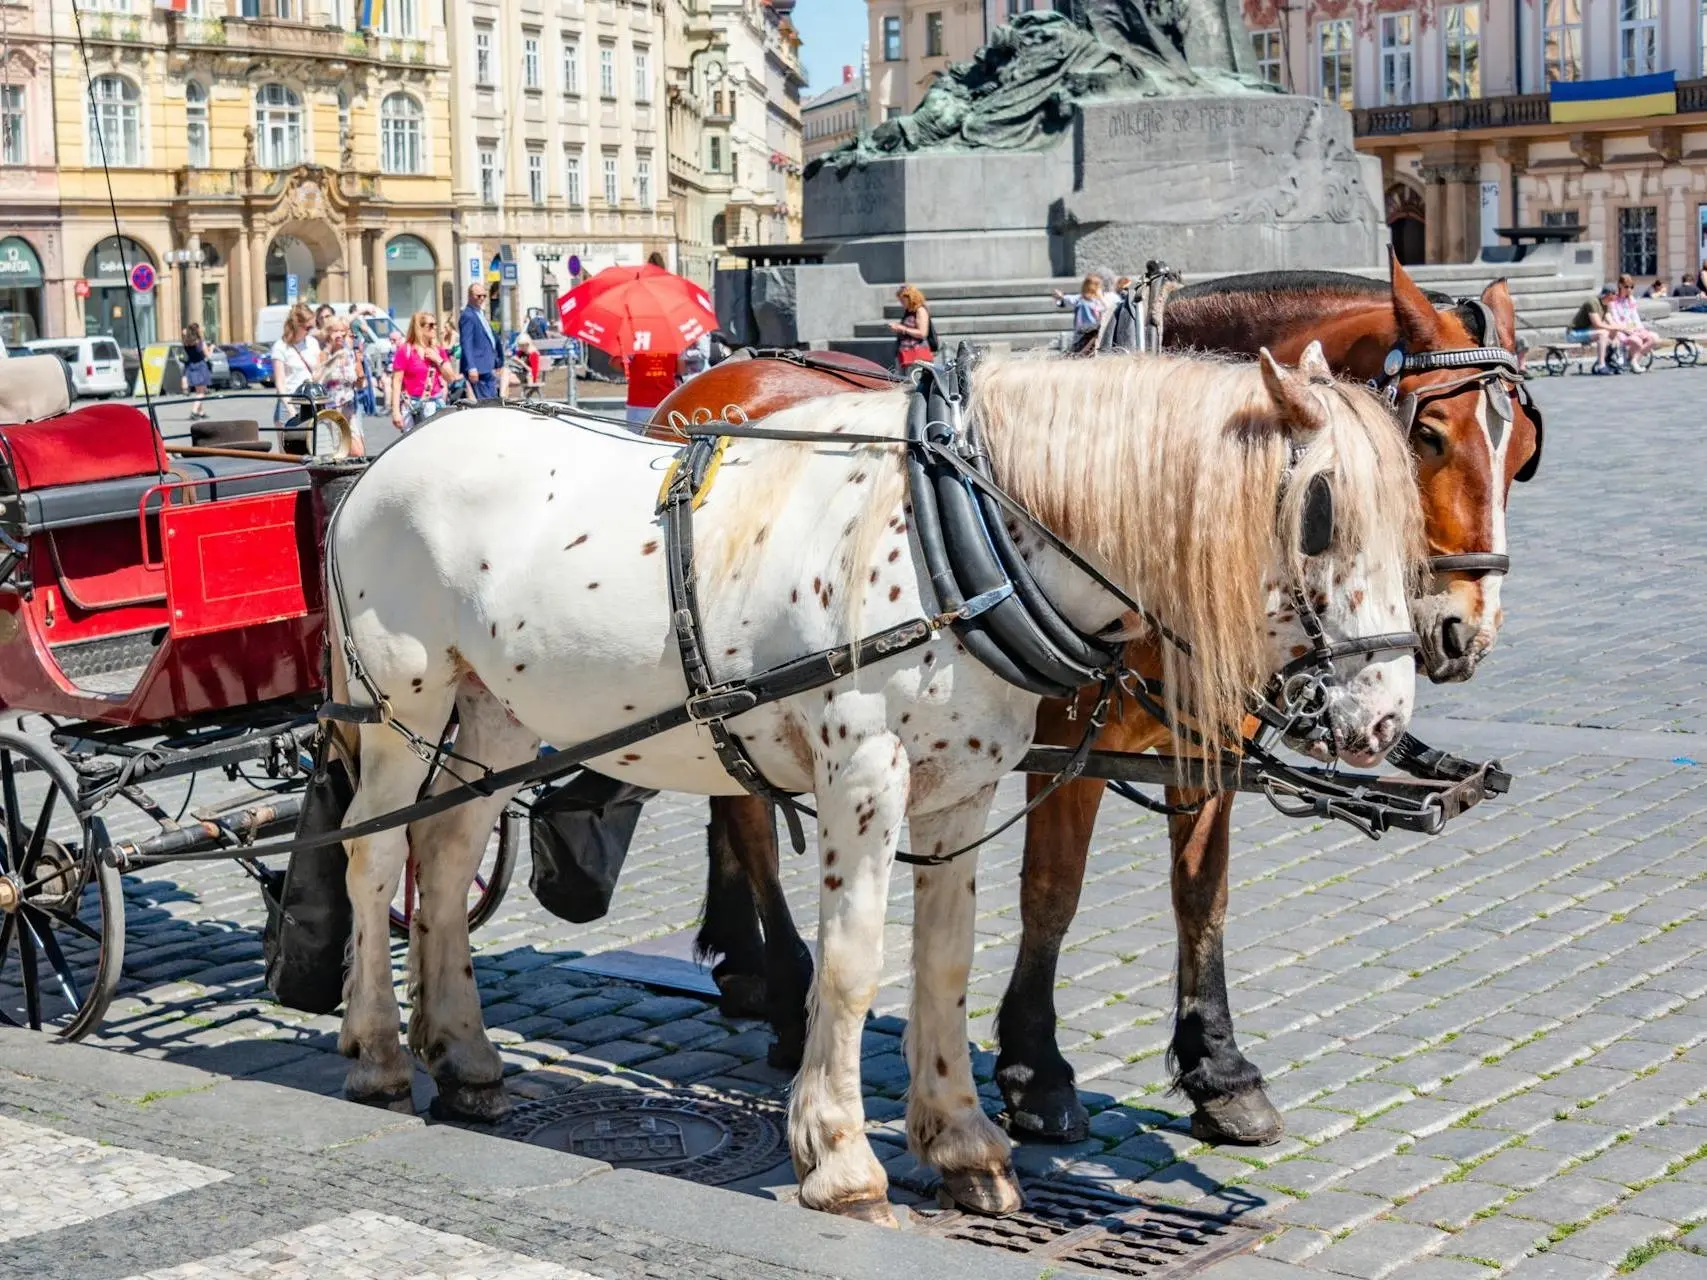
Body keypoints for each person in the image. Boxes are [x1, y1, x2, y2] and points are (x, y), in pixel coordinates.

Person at [389, 311, 458, 431]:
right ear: (419, 328)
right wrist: (395, 411)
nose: (434, 328)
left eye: (435, 324)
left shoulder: (437, 350)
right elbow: (397, 382)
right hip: (412, 406)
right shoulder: (406, 351)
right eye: (430, 325)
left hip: (435, 404)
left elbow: (451, 378)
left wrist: (438, 359)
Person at [270, 309, 328, 443]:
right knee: (289, 452)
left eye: (313, 326)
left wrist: (328, 365)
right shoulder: (281, 346)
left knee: (313, 447)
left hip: (311, 402)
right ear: (296, 325)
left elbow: (317, 374)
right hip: (290, 402)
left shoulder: (312, 343)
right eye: (308, 327)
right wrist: (291, 410)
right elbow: (280, 383)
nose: (310, 331)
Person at [317, 315, 367, 454]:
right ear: (328, 334)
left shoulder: (349, 354)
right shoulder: (323, 354)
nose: (339, 335)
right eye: (335, 331)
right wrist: (332, 360)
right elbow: (317, 380)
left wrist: (360, 377)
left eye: (342, 332)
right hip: (331, 411)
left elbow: (359, 384)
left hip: (349, 408)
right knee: (337, 452)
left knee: (358, 452)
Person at [1606, 274, 1660, 370]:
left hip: (1632, 328)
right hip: (1620, 330)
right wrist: (1627, 329)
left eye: (1631, 287)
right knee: (1637, 341)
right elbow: (1615, 319)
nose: (1629, 289)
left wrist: (1638, 329)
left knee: (1655, 338)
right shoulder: (1613, 300)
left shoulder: (1631, 300)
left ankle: (1634, 360)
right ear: (1620, 285)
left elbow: (1635, 318)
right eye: (1626, 286)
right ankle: (1633, 363)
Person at [458, 284, 501, 399]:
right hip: (477, 368)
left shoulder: (480, 313)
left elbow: (491, 339)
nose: (481, 299)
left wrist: (498, 361)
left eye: (484, 296)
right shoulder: (468, 315)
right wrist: (471, 367)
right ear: (470, 296)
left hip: (487, 366)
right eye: (478, 296)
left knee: (491, 401)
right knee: (484, 404)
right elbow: (466, 343)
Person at [1566, 286, 1618, 374]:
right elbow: (1597, 324)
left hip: (1587, 332)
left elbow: (1611, 323)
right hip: (1574, 333)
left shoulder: (1606, 304)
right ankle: (1601, 366)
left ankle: (1606, 360)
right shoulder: (1592, 303)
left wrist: (1623, 329)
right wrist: (1616, 328)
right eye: (1615, 294)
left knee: (1613, 333)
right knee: (1603, 333)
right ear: (1609, 294)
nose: (1617, 296)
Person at [624, 347, 677, 428]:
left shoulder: (632, 340)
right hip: (666, 401)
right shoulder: (674, 341)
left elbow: (617, 363)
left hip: (639, 400)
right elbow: (681, 368)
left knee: (636, 438)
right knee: (661, 437)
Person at [1053, 274, 1106, 353]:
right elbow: (1066, 300)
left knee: (1088, 350)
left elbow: (1106, 308)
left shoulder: (1097, 300)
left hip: (1093, 332)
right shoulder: (1081, 299)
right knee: (1082, 350)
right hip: (1083, 332)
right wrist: (1061, 297)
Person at [889, 284, 933, 369]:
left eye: (902, 300)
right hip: (906, 354)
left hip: (917, 354)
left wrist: (903, 329)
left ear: (910, 298)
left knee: (915, 379)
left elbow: (922, 333)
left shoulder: (920, 311)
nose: (901, 303)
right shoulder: (909, 311)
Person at [181, 322, 212, 420]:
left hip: (191, 366)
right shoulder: (200, 342)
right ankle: (194, 411)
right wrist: (211, 348)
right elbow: (208, 356)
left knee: (198, 391)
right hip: (201, 367)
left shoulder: (186, 342)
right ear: (197, 330)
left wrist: (186, 331)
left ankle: (201, 412)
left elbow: (184, 332)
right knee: (201, 393)